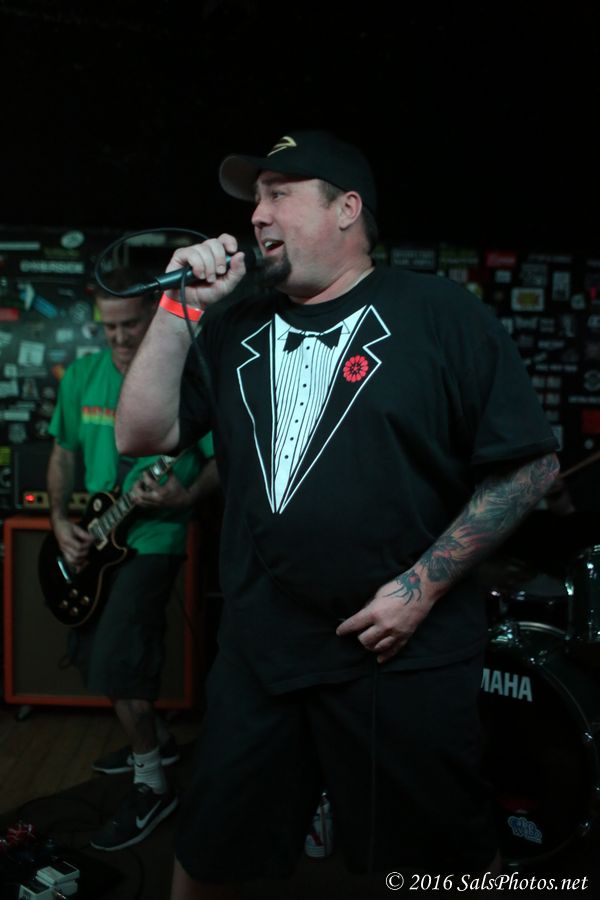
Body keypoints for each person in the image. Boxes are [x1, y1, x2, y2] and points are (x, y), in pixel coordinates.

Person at [115, 131, 559, 897]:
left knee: (439, 862)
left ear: (347, 209)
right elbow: (140, 434)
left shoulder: (440, 315)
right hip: (261, 654)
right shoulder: (232, 323)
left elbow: (530, 466)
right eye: (256, 199)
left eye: (279, 193)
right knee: (214, 854)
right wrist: (179, 305)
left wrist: (421, 587)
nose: (258, 215)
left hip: (402, 658)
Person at [46, 268, 218, 852]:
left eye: (130, 325)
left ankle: (152, 786)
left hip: (154, 537)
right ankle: (160, 741)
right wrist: (59, 521)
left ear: (153, 317)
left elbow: (224, 459)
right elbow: (62, 452)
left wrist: (186, 495)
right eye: (109, 327)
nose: (119, 338)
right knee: (89, 653)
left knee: (120, 662)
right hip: (96, 537)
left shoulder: (188, 380)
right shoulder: (83, 376)